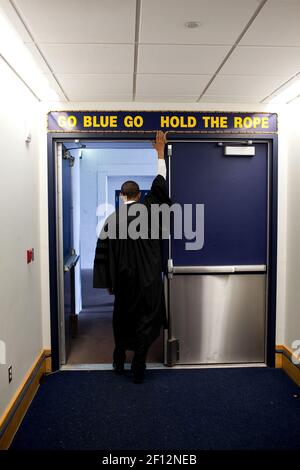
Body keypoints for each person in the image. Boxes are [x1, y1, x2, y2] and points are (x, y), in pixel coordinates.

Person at [93, 131, 171, 383]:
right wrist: (159, 153)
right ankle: (139, 363)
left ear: (122, 196)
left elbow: (102, 256)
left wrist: (107, 283)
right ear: (139, 195)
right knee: (146, 320)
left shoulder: (111, 220)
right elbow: (160, 184)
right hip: (148, 281)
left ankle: (118, 359)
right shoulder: (151, 211)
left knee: (123, 318)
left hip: (124, 283)